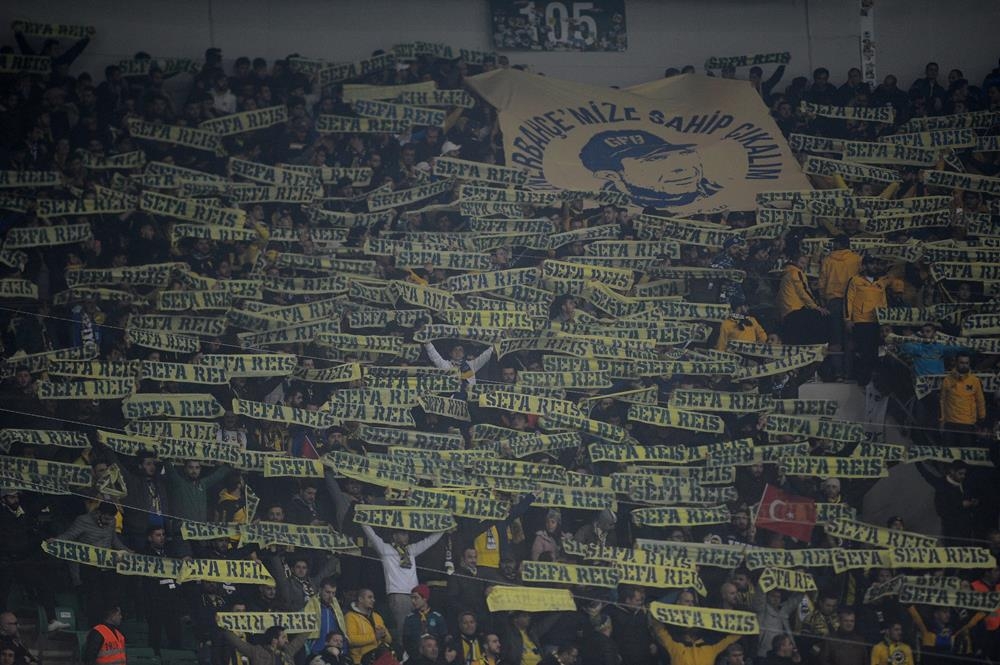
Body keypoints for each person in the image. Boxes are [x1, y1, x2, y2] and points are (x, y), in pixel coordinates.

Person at [579, 130, 722, 209]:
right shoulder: (607, 208)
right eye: (653, 160)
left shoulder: (721, 194)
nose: (680, 168)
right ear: (611, 175)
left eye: (684, 154)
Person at [360, 524, 443, 637]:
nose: (406, 536)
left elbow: (429, 541)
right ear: (394, 536)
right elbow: (372, 535)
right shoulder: (385, 549)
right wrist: (362, 521)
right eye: (403, 533)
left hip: (415, 594)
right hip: (398, 594)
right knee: (403, 629)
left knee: (418, 628)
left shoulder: (411, 550)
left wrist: (444, 528)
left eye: (407, 534)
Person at [844, 256, 894, 385]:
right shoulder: (855, 280)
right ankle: (862, 381)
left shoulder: (880, 282)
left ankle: (872, 381)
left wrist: (886, 321)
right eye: (871, 264)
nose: (874, 267)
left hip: (877, 322)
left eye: (876, 264)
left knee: (875, 352)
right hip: (861, 321)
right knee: (864, 351)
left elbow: (884, 303)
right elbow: (848, 300)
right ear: (864, 266)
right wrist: (848, 319)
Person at [777, 254, 828, 345]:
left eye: (805, 264)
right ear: (795, 262)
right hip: (794, 309)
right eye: (802, 263)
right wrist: (816, 307)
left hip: (786, 310)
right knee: (821, 317)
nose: (803, 266)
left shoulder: (787, 272)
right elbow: (803, 292)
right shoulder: (796, 272)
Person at [939, 352, 987, 447]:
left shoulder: (975, 381)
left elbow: (980, 400)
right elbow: (942, 401)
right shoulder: (947, 380)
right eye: (961, 362)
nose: (964, 365)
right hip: (950, 423)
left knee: (966, 452)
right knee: (950, 451)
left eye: (966, 363)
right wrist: (942, 420)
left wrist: (982, 417)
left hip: (967, 424)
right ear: (956, 363)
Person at [220, 624, 309, 665]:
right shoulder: (257, 652)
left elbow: (300, 639)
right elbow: (238, 643)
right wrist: (222, 626)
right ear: (274, 640)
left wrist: (312, 623)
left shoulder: (288, 652)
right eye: (283, 637)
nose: (287, 641)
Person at [345, 588, 391, 664]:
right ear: (360, 599)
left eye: (373, 598)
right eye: (370, 597)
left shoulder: (377, 616)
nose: (373, 600)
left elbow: (389, 640)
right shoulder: (350, 616)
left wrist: (384, 635)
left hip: (380, 654)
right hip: (361, 658)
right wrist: (374, 636)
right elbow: (351, 640)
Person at [402, 585, 446, 660]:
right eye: (411, 598)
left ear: (425, 598)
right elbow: (406, 641)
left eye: (416, 598)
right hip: (416, 657)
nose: (413, 601)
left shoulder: (437, 616)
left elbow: (443, 637)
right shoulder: (409, 618)